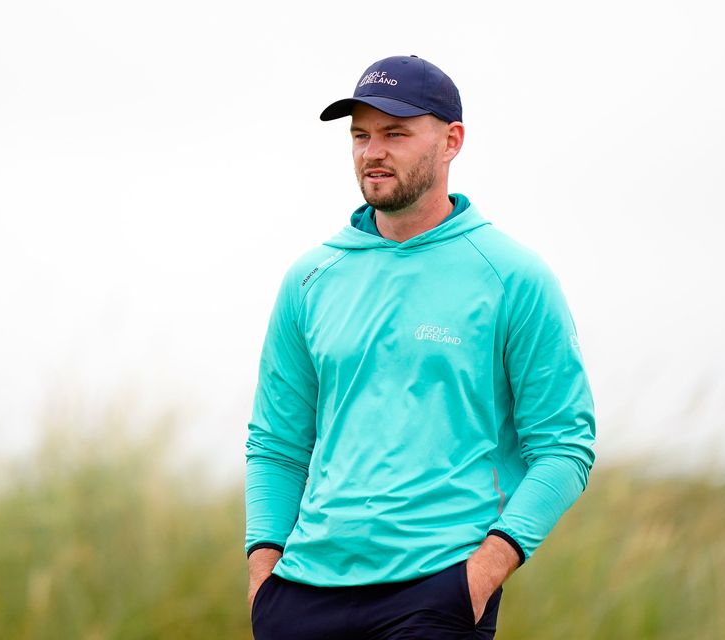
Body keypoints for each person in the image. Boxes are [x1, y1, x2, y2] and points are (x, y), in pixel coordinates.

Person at [243, 55, 596, 639]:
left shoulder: (512, 276)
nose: (372, 151)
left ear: (452, 140)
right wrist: (264, 579)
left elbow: (564, 445)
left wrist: (483, 572)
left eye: (395, 133)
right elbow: (276, 445)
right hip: (302, 596)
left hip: (435, 592)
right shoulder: (309, 278)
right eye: (361, 135)